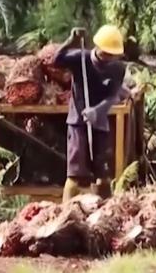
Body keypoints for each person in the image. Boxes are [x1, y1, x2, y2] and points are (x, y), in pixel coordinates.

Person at [54, 24, 126, 202]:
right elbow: (57, 60)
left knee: (103, 176)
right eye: (105, 53)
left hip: (100, 123)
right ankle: (66, 211)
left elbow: (112, 97)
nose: (107, 58)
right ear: (97, 47)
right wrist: (70, 42)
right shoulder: (81, 59)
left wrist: (97, 111)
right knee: (76, 174)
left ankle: (107, 210)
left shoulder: (117, 68)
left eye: (112, 55)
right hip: (78, 121)